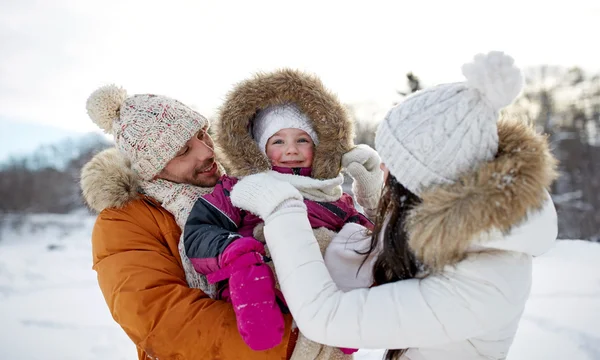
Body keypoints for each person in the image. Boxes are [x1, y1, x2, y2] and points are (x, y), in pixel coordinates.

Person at [228, 51, 559, 360]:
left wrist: (283, 209)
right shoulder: (472, 234)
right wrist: (373, 195)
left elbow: (325, 316)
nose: (384, 169)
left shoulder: (484, 284)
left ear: (421, 183)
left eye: (394, 167)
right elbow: (388, 249)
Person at [155, 69, 383, 359]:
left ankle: (347, 319)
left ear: (319, 145)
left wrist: (370, 194)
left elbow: (373, 239)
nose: (291, 150)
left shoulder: (332, 195)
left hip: (323, 286)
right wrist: (233, 251)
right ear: (259, 148)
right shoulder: (241, 188)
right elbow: (201, 230)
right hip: (262, 270)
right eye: (278, 141)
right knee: (256, 259)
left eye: (303, 140)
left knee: (350, 243)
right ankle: (257, 307)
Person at [79, 86, 298, 360]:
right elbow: (165, 322)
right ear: (152, 168)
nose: (207, 151)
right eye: (183, 150)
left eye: (201, 133)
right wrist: (295, 341)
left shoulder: (243, 188)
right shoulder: (123, 222)